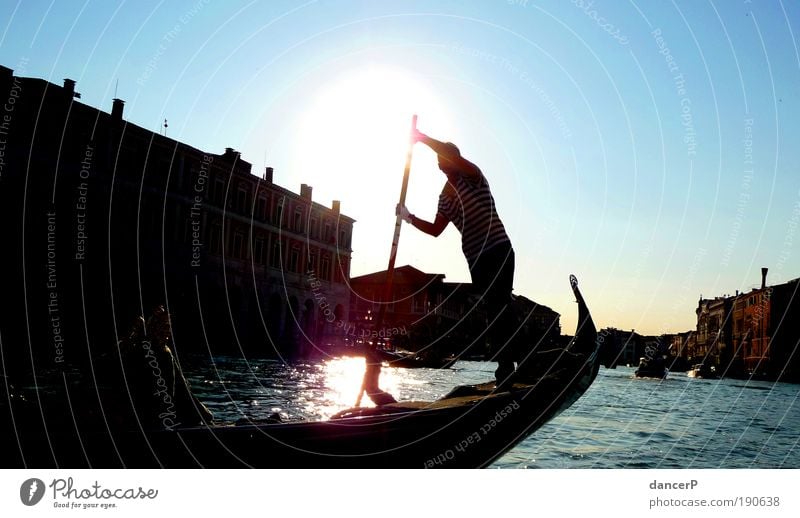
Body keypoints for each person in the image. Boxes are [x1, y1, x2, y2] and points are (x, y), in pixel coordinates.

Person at [398, 129, 517, 385]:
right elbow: (435, 230)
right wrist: (408, 217)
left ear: (454, 160)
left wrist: (421, 138)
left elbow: (446, 153)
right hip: (476, 259)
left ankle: (511, 366)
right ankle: (506, 367)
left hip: (497, 248)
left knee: (501, 306)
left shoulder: (473, 176)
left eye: (444, 161)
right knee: (494, 311)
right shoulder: (445, 198)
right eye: (439, 164)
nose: (441, 167)